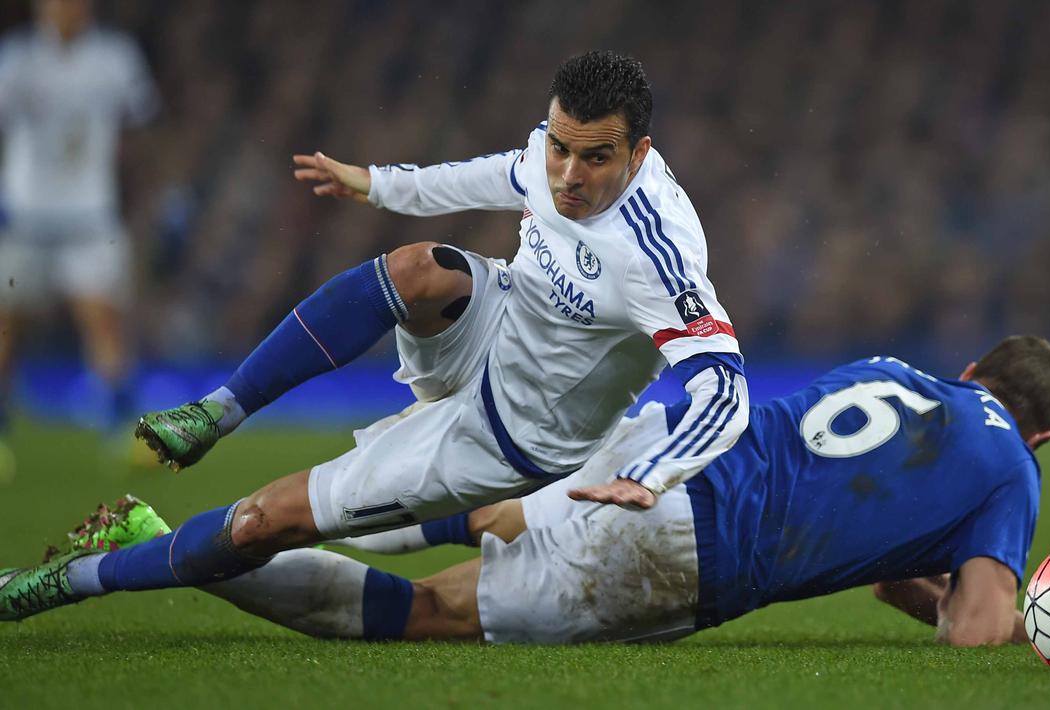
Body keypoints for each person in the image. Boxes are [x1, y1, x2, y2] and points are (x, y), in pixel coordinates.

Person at [0, 51, 748, 613]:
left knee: (265, 521)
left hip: (514, 430)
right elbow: (493, 174)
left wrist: (655, 471)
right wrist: (379, 184)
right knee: (421, 268)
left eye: (593, 158)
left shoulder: (655, 253)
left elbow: (725, 384)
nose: (566, 176)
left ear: (638, 155)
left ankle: (63, 581)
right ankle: (215, 412)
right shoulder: (552, 153)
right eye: (559, 146)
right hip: (493, 323)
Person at [3, 336, 1050, 649]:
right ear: (1041, 431)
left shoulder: (899, 372)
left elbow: (856, 514)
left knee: (383, 505)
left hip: (657, 442)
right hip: (686, 547)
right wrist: (1038, 620)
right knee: (431, 604)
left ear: (975, 369)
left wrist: (897, 569)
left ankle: (183, 531)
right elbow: (974, 629)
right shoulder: (1012, 470)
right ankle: (132, 553)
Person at [0, 0, 158, 476]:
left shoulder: (115, 57)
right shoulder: (17, 59)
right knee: (8, 328)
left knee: (105, 322)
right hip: (24, 215)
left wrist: (134, 193)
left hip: (90, 213)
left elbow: (140, 129)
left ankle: (121, 434)